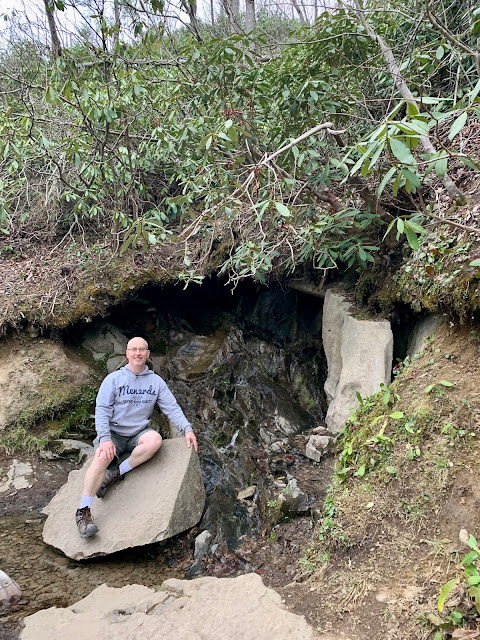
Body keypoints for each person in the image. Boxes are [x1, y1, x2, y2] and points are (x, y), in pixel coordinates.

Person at [75, 336, 198, 538]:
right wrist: (105, 439)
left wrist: (187, 429)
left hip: (137, 434)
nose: (137, 353)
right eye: (133, 349)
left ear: (147, 354)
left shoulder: (156, 382)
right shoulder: (113, 380)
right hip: (114, 434)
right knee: (102, 457)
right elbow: (102, 410)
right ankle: (83, 511)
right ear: (127, 353)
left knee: (155, 440)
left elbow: (172, 408)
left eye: (142, 350)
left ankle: (117, 473)